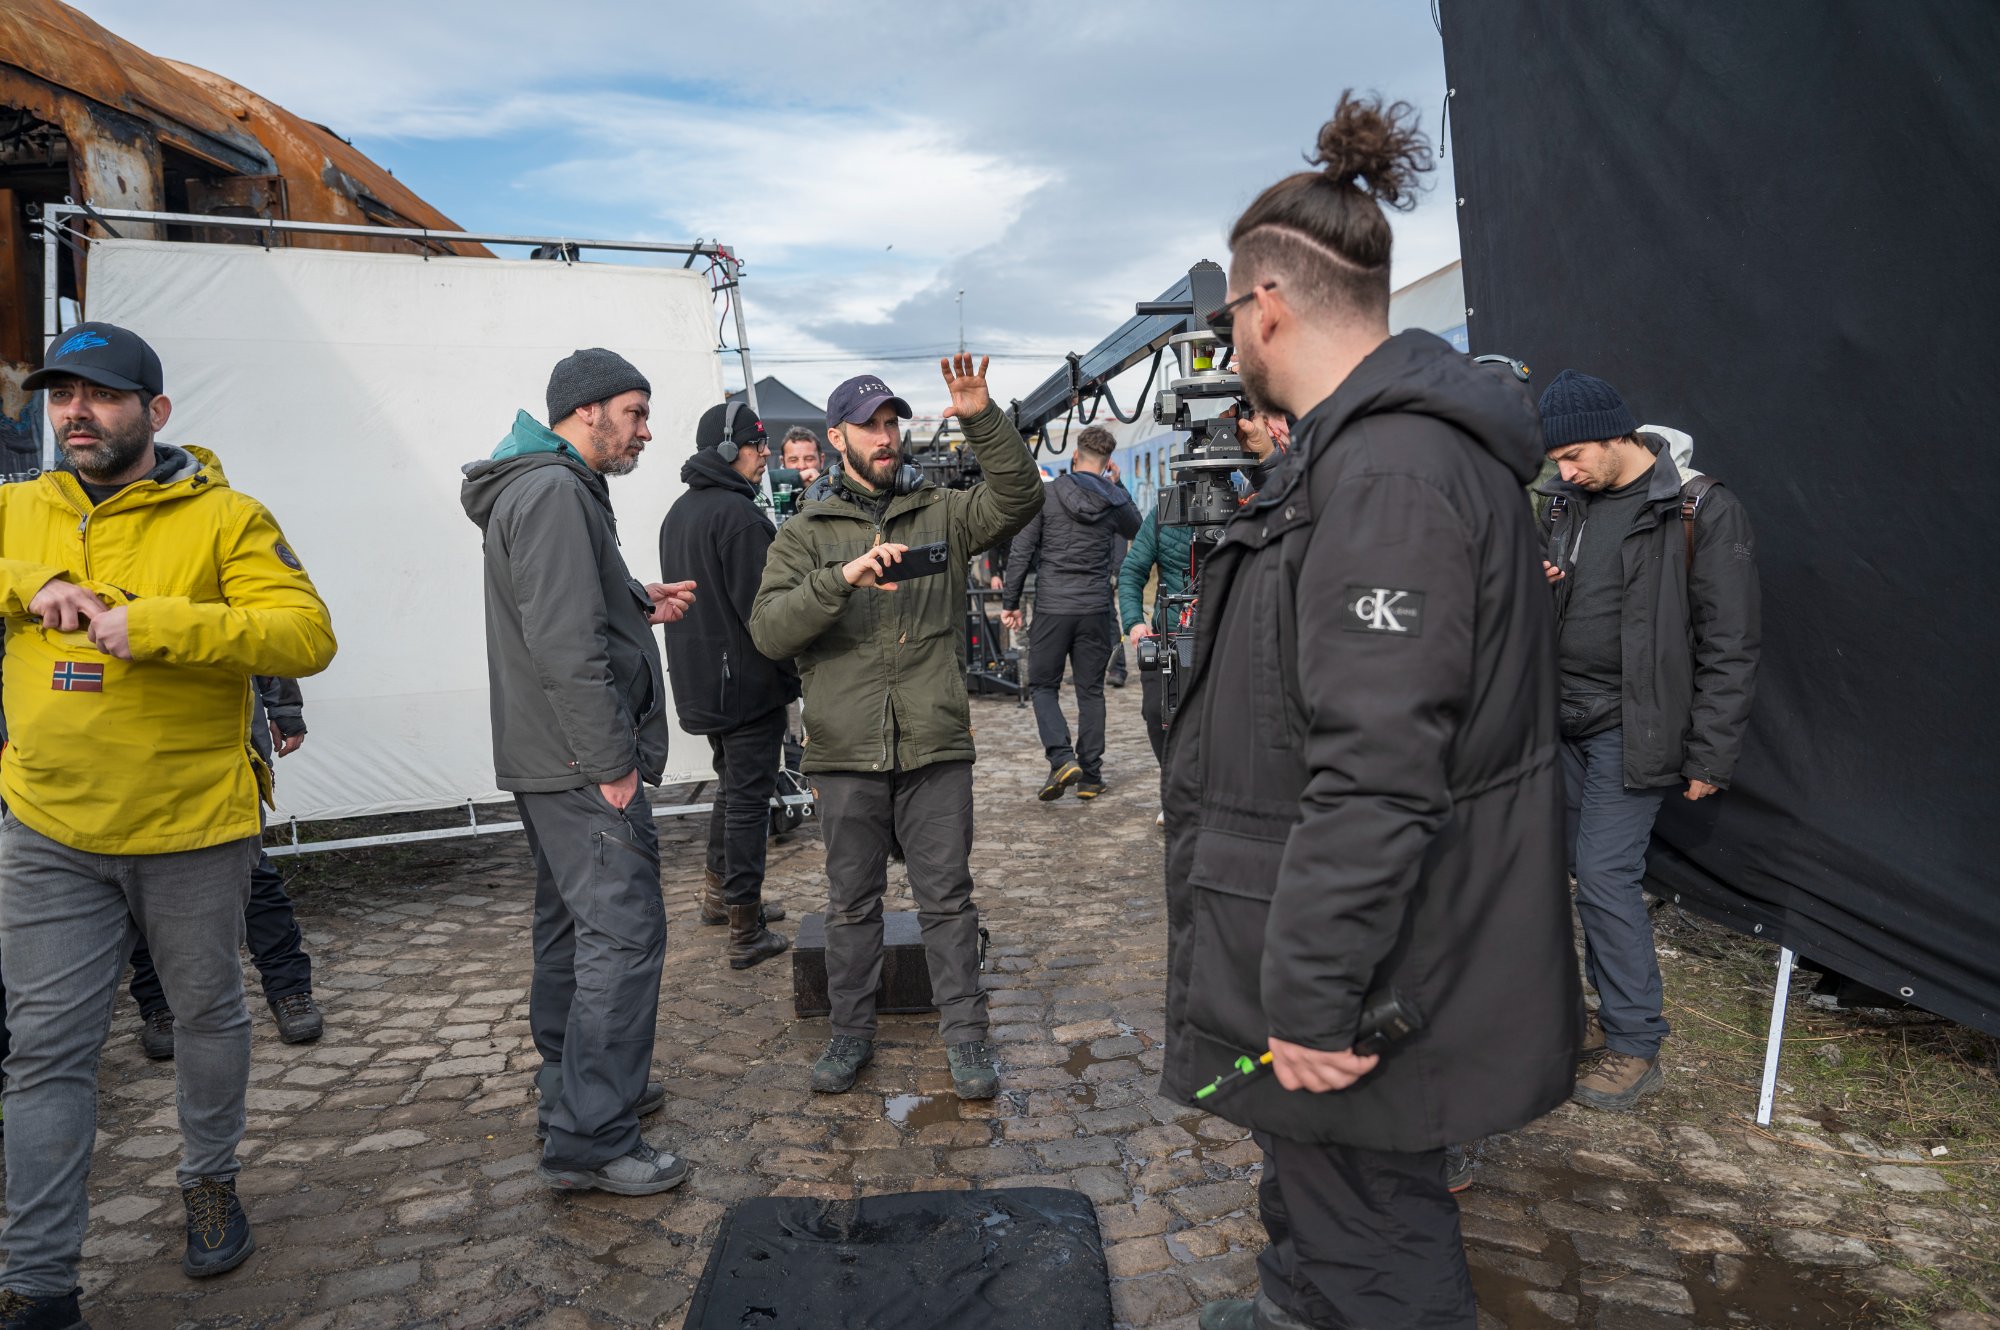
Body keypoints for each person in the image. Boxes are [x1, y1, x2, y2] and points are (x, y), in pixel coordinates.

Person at [1158, 99, 1579, 1330]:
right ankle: (1293, 1307)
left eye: (1229, 315)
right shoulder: (1362, 456)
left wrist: (1309, 991)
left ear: (1266, 304)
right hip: (1353, 925)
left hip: (1373, 950)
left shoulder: (1390, 473)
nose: (1229, 337)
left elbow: (1380, 764)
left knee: (1370, 1227)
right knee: (1316, 1183)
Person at [0, 322, 338, 1322]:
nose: (75, 413)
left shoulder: (230, 517)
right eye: (62, 394)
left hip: (194, 825)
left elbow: (305, 632)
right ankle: (38, 1280)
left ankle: (207, 1181)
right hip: (48, 826)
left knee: (206, 1016)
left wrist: (159, 624)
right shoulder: (18, 511)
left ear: (155, 412)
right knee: (46, 1050)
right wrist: (34, 588)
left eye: (99, 395)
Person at [750, 356, 1042, 1100]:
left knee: (948, 899)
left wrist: (981, 417)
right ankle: (851, 1033)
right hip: (846, 752)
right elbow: (769, 632)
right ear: (835, 436)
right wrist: (840, 579)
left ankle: (967, 1039)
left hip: (933, 743)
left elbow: (1019, 494)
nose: (887, 438)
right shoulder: (805, 533)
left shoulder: (941, 511)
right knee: (851, 905)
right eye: (871, 427)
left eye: (892, 424)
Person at [460, 347, 697, 1198]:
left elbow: (560, 602)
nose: (643, 430)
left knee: (569, 929)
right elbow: (563, 645)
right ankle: (592, 1137)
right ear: (588, 411)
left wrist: (635, 598)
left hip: (546, 756)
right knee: (623, 939)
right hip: (578, 760)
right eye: (634, 412)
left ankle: (575, 1089)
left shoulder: (539, 482)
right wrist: (610, 764)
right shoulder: (556, 490)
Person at [1537, 370, 1759, 1111]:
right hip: (1553, 719)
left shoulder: (1699, 506)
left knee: (1602, 876)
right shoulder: (1566, 503)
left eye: (1572, 456)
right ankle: (1595, 1019)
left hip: (1633, 727)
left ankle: (1636, 1044)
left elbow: (1731, 643)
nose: (1563, 473)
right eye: (1556, 463)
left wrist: (1710, 753)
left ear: (1616, 434)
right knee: (1557, 873)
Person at [659, 401, 795, 969]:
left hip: (707, 683)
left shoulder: (681, 512)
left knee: (733, 787)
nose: (765, 452)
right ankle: (746, 924)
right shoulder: (739, 518)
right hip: (744, 687)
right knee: (747, 799)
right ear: (724, 448)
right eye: (754, 443)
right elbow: (765, 613)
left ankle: (721, 896)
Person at [133, 675, 323, 1058]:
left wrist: (284, 709)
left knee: (249, 871)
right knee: (135, 879)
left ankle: (290, 991)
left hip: (224, 743)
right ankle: (161, 1005)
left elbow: (264, 627)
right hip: (122, 755)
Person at [1000, 425, 1139, 800]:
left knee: (1044, 685)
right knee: (1091, 691)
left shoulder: (1046, 495)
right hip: (1095, 608)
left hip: (1053, 607)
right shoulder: (1114, 500)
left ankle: (1062, 758)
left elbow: (1021, 551)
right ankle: (1091, 776)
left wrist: (1011, 603)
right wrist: (1118, 486)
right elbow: (1137, 530)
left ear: (1074, 457)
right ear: (1107, 463)